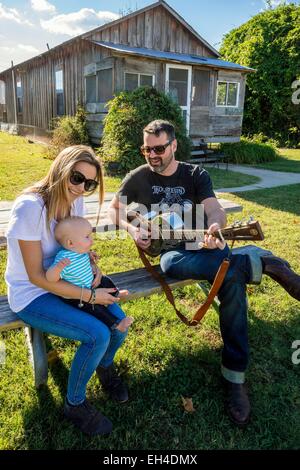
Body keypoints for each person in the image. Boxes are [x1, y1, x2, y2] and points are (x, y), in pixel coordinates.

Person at [108, 119, 300, 427]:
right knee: (173, 264)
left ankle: (235, 378)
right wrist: (133, 229)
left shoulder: (195, 174)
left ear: (174, 146)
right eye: (147, 149)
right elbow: (115, 209)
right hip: (174, 253)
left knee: (229, 279)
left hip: (205, 248)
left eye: (159, 148)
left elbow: (214, 209)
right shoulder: (138, 177)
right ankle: (262, 263)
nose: (152, 155)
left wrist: (215, 227)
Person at [5, 145, 131, 437]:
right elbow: (36, 277)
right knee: (97, 334)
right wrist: (89, 296)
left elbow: (74, 243)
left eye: (90, 183)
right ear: (61, 169)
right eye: (77, 178)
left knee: (119, 326)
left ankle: (104, 366)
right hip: (33, 293)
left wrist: (91, 263)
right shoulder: (30, 208)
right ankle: (75, 403)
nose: (81, 188)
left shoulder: (75, 203)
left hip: (73, 280)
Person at [46, 215, 133, 333]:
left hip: (91, 283)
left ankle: (116, 293)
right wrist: (58, 268)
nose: (91, 239)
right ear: (71, 243)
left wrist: (91, 257)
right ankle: (117, 324)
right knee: (96, 309)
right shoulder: (64, 258)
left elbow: (85, 258)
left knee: (105, 280)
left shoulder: (81, 251)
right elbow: (50, 278)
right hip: (78, 296)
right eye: (87, 237)